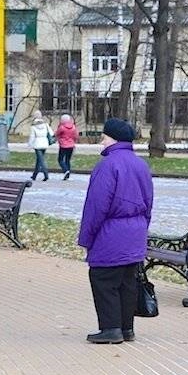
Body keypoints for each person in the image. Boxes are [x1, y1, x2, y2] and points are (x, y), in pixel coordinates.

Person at [77, 118, 154, 344]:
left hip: (111, 234)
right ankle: (126, 328)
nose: (102, 142)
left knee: (103, 278)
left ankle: (111, 328)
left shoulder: (108, 165)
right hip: (135, 232)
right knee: (127, 282)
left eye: (104, 138)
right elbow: (149, 202)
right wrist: (142, 229)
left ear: (113, 139)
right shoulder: (141, 165)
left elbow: (96, 207)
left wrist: (86, 238)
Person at [26, 111, 53, 181]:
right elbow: (51, 133)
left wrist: (29, 145)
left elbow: (32, 137)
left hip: (37, 144)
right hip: (44, 143)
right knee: (39, 160)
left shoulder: (33, 126)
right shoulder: (46, 124)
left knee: (41, 160)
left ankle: (46, 174)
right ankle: (34, 175)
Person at [54, 114, 79, 180]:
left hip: (63, 145)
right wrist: (73, 142)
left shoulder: (62, 127)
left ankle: (65, 170)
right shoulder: (73, 127)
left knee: (60, 159)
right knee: (67, 160)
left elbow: (56, 134)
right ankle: (67, 175)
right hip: (71, 146)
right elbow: (76, 136)